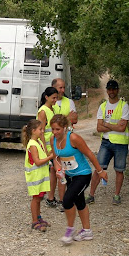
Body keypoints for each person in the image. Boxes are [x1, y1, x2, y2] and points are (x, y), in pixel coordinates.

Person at [50, 114, 108, 244]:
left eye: (57, 129)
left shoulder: (74, 138)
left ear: (65, 128)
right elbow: (56, 157)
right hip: (70, 175)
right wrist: (58, 169)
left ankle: (70, 231)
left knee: (67, 200)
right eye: (53, 129)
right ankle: (87, 231)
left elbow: (89, 154)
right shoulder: (52, 139)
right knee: (80, 201)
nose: (55, 132)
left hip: (82, 174)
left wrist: (100, 171)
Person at [85, 79, 129, 205]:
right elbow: (99, 128)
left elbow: (122, 128)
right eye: (109, 89)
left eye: (114, 89)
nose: (111, 91)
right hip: (106, 142)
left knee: (119, 170)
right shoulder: (103, 106)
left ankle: (116, 195)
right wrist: (115, 125)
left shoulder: (123, 105)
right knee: (98, 169)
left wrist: (106, 124)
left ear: (118, 90)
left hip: (120, 144)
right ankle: (91, 195)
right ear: (107, 90)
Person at [50, 78, 78, 212]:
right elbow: (52, 122)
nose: (62, 90)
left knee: (69, 170)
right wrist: (67, 118)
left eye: (63, 87)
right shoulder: (51, 103)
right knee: (59, 171)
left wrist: (62, 119)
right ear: (54, 87)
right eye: (60, 88)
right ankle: (61, 201)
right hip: (55, 140)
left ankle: (68, 198)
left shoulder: (69, 101)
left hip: (69, 141)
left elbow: (75, 119)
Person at [22, 119, 54, 232]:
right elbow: (38, 161)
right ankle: (34, 221)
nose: (42, 131)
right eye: (40, 129)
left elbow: (44, 154)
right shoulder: (32, 145)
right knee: (36, 199)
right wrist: (50, 157)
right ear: (33, 131)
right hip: (35, 177)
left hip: (40, 176)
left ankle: (39, 218)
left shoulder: (38, 142)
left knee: (39, 197)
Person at [36, 87, 59, 209]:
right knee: (52, 172)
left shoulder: (52, 109)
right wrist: (45, 150)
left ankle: (51, 196)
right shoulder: (43, 111)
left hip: (53, 146)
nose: (55, 100)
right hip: (47, 147)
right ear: (47, 97)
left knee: (54, 172)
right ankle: (48, 197)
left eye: (56, 98)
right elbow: (41, 131)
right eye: (53, 98)